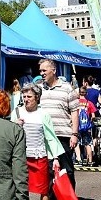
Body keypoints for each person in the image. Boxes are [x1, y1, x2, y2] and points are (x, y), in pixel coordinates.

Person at [14, 82, 64, 200]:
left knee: (44, 189)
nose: (26, 99)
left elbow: (50, 137)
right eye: (24, 96)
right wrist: (16, 124)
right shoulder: (16, 112)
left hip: (39, 156)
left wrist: (55, 158)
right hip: (21, 157)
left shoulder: (43, 115)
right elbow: (9, 134)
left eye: (29, 96)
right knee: (20, 188)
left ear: (37, 97)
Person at [37, 58, 79, 190]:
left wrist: (74, 134)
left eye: (44, 70)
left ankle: (69, 196)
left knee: (67, 169)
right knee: (49, 170)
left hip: (63, 134)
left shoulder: (66, 88)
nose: (42, 73)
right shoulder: (38, 88)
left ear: (53, 70)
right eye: (40, 71)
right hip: (44, 136)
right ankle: (53, 198)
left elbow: (74, 111)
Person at [76, 86, 96, 165]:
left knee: (76, 143)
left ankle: (79, 159)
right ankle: (90, 161)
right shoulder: (89, 103)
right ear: (86, 93)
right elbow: (93, 116)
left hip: (77, 126)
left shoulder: (75, 102)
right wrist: (90, 123)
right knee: (88, 143)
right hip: (86, 127)